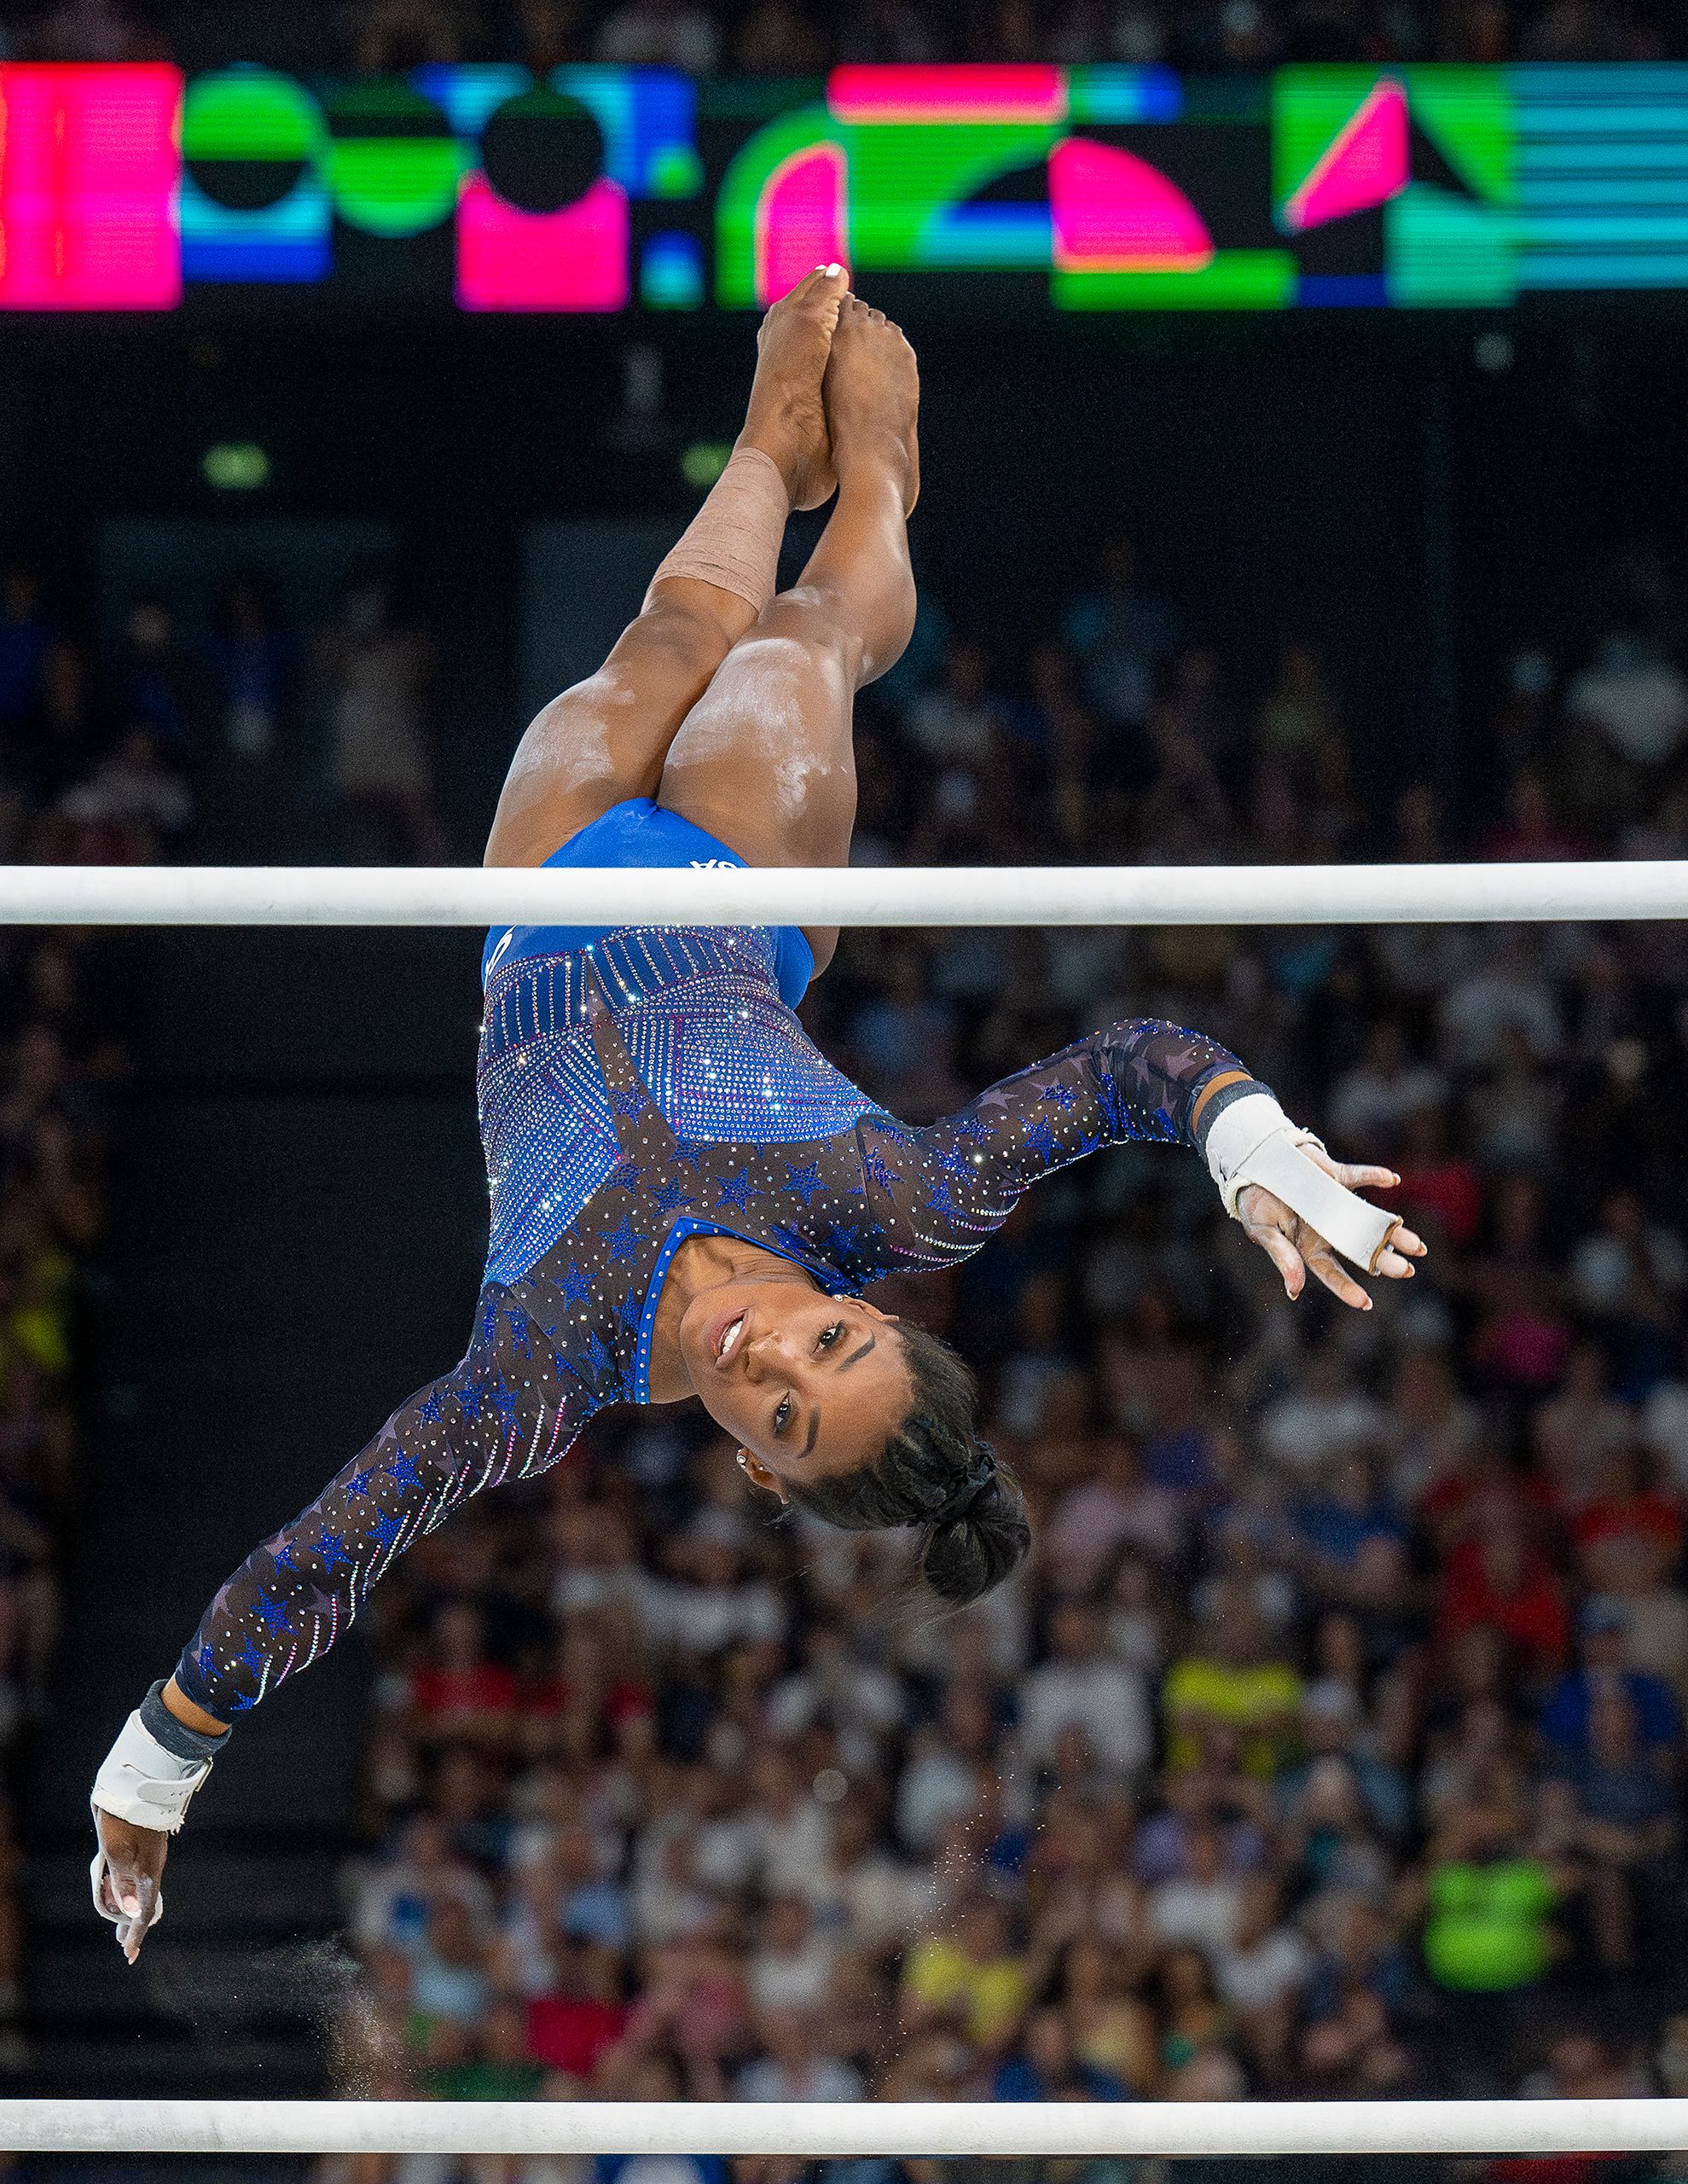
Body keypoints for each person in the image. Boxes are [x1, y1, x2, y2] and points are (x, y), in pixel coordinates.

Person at [88, 271, 1424, 1960]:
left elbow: (334, 1540)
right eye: (830, 1358)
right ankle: (871, 485)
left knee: (658, 634)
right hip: (740, 877)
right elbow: (1126, 1067)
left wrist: (159, 1759)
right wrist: (1252, 1149)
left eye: (780, 1420)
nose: (769, 1367)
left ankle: (755, 439)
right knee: (792, 641)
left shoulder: (549, 1363)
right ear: (861, 1308)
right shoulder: (892, 1199)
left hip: (538, 898)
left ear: (760, 1475)